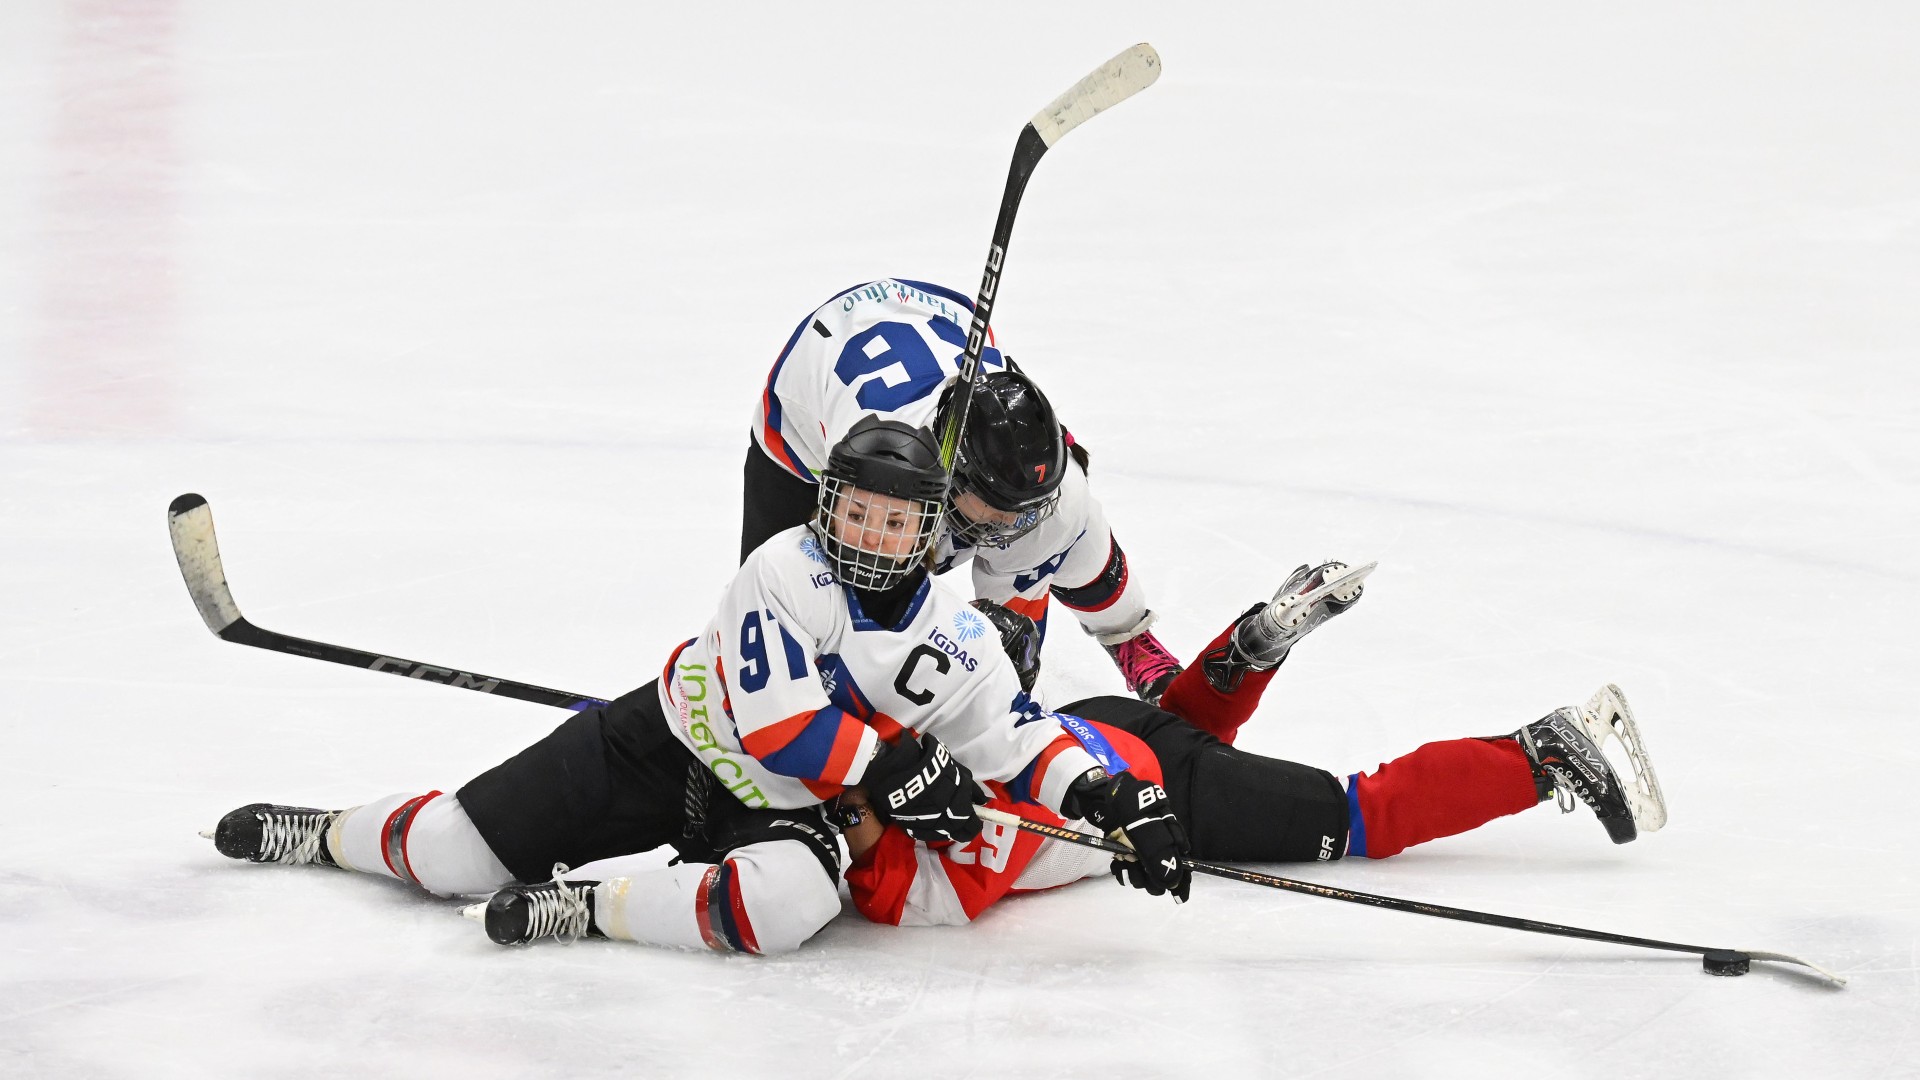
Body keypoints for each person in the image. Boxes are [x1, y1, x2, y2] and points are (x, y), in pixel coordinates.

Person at [204, 419, 1192, 954]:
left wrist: (1112, 801)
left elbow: (1013, 736)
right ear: (829, 506)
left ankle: (585, 910)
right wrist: (893, 761)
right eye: (858, 513)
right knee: (450, 856)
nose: (874, 538)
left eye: (899, 524)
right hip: (672, 746)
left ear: (928, 531)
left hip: (788, 814)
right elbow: (783, 731)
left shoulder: (953, 635)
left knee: (785, 913)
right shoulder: (779, 572)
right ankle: (331, 832)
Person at [838, 570, 1670, 927]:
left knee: (1361, 813)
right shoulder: (897, 747)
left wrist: (853, 826)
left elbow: (925, 890)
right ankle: (1250, 647)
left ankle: (1548, 754)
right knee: (1191, 737)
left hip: (1152, 785)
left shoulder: (912, 880)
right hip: (1092, 724)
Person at [742, 277, 1188, 703]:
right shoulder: (878, 484)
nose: (1011, 525)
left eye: (1020, 509)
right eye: (995, 509)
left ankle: (1130, 636)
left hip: (940, 316)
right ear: (951, 478)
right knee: (787, 600)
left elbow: (1009, 658)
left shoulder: (1038, 493)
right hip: (804, 419)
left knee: (1069, 525)